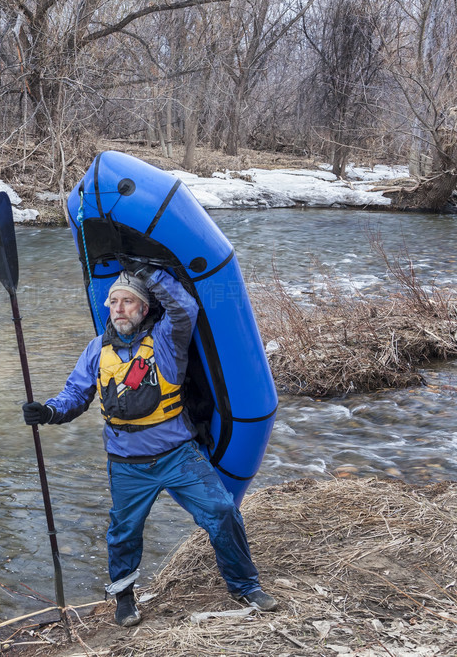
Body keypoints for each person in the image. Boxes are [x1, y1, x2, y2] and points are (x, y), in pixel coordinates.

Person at [22, 261, 277, 627]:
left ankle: (245, 586)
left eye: (128, 302)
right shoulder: (96, 350)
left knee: (221, 510)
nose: (119, 309)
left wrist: (151, 274)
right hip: (127, 464)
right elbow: (75, 396)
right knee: (124, 533)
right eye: (114, 302)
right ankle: (125, 597)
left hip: (178, 456)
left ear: (143, 308)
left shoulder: (166, 340)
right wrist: (47, 412)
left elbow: (185, 307)